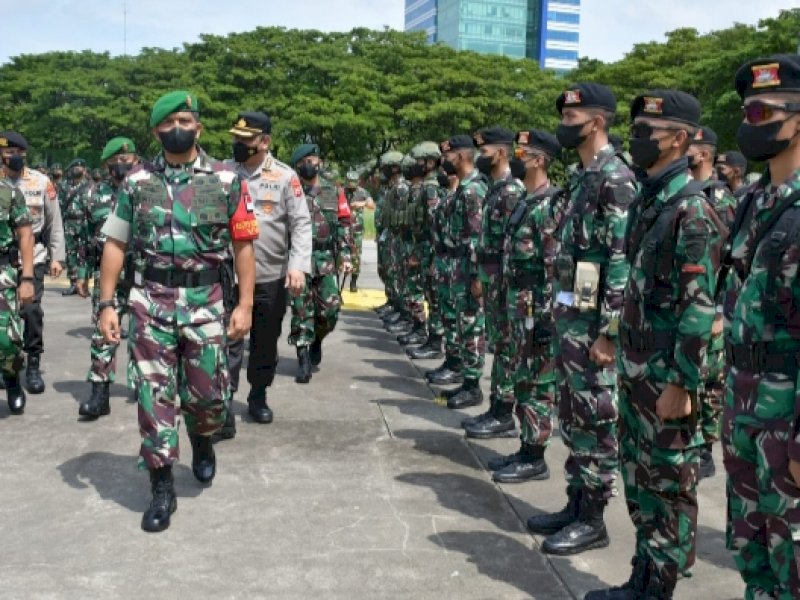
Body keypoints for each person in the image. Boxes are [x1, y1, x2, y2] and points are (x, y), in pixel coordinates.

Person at [97, 90, 258, 533]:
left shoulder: (226, 179)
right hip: (150, 301)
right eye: (167, 124)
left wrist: (244, 305)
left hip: (206, 302)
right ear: (155, 132)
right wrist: (107, 303)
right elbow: (115, 243)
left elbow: (243, 246)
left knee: (207, 396)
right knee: (154, 396)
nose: (176, 129)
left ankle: (203, 439)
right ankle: (161, 483)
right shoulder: (136, 182)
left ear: (199, 126)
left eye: (184, 120)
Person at [587, 90, 724, 599]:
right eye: (637, 127)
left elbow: (699, 307)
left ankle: (659, 587)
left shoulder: (692, 211)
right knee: (640, 478)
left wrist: (684, 384)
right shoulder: (651, 203)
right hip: (638, 367)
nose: (639, 137)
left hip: (667, 375)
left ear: (681, 140)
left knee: (667, 484)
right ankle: (642, 576)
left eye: (650, 130)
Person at [528, 83, 636, 557]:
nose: (564, 126)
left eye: (572, 120)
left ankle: (593, 518)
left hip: (595, 328)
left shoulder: (616, 178)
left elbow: (620, 258)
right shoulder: (585, 177)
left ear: (595, 122)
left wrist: (610, 332)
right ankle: (576, 503)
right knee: (573, 414)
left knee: (596, 416)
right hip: (572, 316)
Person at [722, 54, 800, 600]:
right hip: (744, 406)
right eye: (748, 113)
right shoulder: (751, 200)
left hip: (788, 415)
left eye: (764, 112)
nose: (752, 124)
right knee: (754, 553)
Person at [224, 111, 311, 430]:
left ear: (265, 142)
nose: (239, 144)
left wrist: (298, 266)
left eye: (246, 140)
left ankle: (258, 395)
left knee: (264, 341)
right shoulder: (224, 174)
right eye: (236, 138)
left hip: (270, 274)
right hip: (229, 276)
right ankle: (223, 400)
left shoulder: (285, 177)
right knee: (227, 340)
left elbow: (301, 223)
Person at [486, 129, 564, 483]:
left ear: (539, 160)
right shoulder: (525, 201)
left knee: (537, 382)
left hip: (537, 309)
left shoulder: (549, 205)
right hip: (518, 305)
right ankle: (525, 446)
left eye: (522, 151)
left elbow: (555, 268)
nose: (516, 156)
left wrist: (549, 316)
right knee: (522, 378)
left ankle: (536, 456)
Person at [74, 136, 139, 419]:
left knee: (145, 333)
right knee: (104, 334)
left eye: (128, 160)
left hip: (144, 275)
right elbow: (83, 239)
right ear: (107, 165)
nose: (123, 165)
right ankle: (100, 392)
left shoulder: (147, 189)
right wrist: (80, 274)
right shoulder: (91, 195)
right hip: (109, 276)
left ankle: (143, 384)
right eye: (117, 161)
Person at [686, 125, 736, 480]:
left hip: (714, 305)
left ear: (702, 154)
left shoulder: (720, 198)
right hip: (691, 303)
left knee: (711, 381)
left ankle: (705, 449)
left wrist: (719, 308)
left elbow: (730, 259)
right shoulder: (686, 193)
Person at [0, 131, 65, 395]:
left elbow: (55, 221)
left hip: (34, 256)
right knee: (6, 315)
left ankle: (33, 362)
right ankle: (8, 362)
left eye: (18, 153)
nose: (13, 157)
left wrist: (57, 256)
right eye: (7, 153)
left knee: (30, 311)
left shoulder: (40, 181)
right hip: (4, 258)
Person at [427, 136, 486, 406]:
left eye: (449, 157)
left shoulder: (474, 190)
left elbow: (476, 236)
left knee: (471, 326)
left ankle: (473, 386)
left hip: (466, 267)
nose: (444, 162)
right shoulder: (463, 188)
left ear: (462, 157)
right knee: (461, 324)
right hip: (455, 266)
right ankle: (463, 375)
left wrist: (475, 275)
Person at [288, 143, 352, 384]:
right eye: (304, 162)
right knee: (301, 309)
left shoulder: (333, 192)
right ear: (297, 166)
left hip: (326, 259)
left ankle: (317, 338)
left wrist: (346, 256)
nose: (310, 165)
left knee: (330, 310)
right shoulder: (290, 191)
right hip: (299, 260)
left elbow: (345, 223)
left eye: (313, 160)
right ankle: (302, 355)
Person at [0, 173, 35, 415]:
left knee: (6, 339)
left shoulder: (9, 194)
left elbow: (25, 236)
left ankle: (12, 381)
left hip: (2, 272)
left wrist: (27, 278)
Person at [59, 158, 94, 296]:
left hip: (85, 224)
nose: (78, 170)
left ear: (85, 170)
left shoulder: (92, 187)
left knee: (85, 254)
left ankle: (84, 282)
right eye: (75, 168)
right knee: (71, 254)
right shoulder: (64, 186)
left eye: (81, 168)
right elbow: (60, 205)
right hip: (69, 224)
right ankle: (73, 283)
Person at [343, 170, 373, 293]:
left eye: (353, 182)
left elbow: (371, 205)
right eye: (349, 182)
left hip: (357, 230)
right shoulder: (342, 192)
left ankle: (353, 282)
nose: (351, 184)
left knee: (355, 256)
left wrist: (360, 204)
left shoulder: (362, 192)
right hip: (343, 227)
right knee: (341, 255)